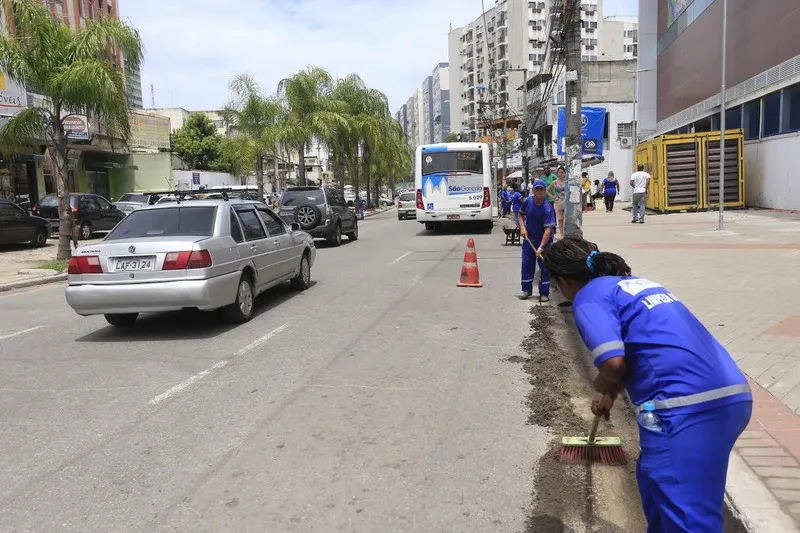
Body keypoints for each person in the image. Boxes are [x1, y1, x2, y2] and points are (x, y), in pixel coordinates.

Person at [542, 236, 753, 533]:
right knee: (655, 486)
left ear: (563, 280)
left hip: (684, 408)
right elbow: (645, 350)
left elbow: (614, 365)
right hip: (730, 396)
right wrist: (610, 394)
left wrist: (601, 381)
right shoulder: (635, 285)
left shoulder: (588, 297)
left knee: (687, 519)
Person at [516, 179, 555, 302]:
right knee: (527, 264)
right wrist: (522, 228)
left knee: (544, 266)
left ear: (544, 191)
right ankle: (526, 290)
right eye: (536, 189)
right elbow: (520, 215)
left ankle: (544, 292)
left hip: (544, 241)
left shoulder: (547, 208)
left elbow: (548, 230)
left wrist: (541, 248)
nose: (539, 191)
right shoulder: (528, 201)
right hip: (529, 238)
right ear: (533, 190)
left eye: (541, 189)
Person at [546, 166, 567, 240]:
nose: (561, 174)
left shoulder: (567, 181)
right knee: (560, 219)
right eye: (559, 172)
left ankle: (566, 234)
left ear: (564, 173)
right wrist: (552, 197)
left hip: (566, 202)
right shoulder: (554, 182)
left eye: (562, 172)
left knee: (566, 219)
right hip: (558, 202)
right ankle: (562, 235)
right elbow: (547, 190)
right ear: (557, 173)